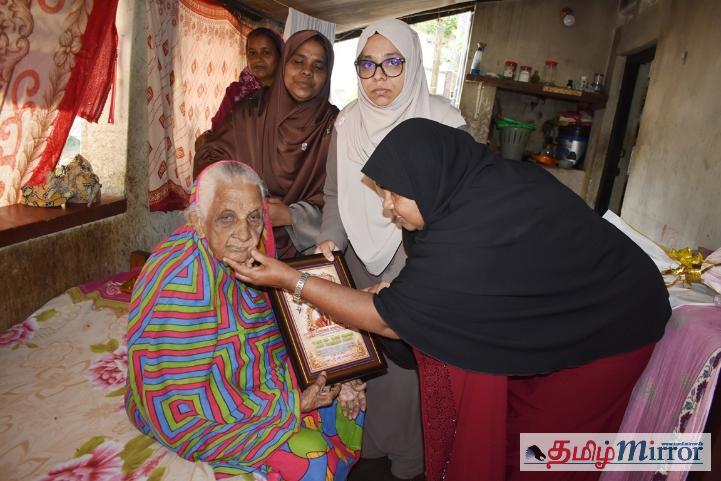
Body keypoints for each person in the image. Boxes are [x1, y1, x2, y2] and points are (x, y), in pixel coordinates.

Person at [226, 119, 673, 481]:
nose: (387, 208)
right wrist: (402, 299)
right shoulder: (465, 192)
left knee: (546, 450)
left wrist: (291, 279)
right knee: (516, 430)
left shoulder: (471, 231)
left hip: (614, 323)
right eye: (382, 193)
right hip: (554, 319)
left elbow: (389, 320)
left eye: (394, 194)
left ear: (428, 178)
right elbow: (428, 296)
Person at [125, 161, 365, 480]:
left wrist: (338, 365)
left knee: (342, 399)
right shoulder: (181, 283)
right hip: (197, 411)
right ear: (198, 221)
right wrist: (291, 404)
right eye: (227, 217)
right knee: (314, 461)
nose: (245, 234)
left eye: (254, 217)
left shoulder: (250, 255)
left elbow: (270, 329)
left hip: (246, 378)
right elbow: (180, 404)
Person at [315, 18, 465, 481]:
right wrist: (331, 240)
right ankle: (366, 448)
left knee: (405, 368)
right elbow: (335, 195)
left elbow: (457, 207)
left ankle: (409, 462)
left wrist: (407, 272)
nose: (379, 77)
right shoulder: (346, 123)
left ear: (413, 63)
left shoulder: (445, 122)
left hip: (419, 258)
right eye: (367, 65)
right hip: (357, 258)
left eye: (392, 63)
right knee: (361, 358)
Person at [194, 30, 336, 259]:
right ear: (284, 64)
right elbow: (210, 158)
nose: (307, 71)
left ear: (327, 75)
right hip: (240, 244)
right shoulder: (249, 111)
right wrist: (244, 201)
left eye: (318, 66)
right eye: (298, 61)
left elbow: (346, 200)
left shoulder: (335, 126)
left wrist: (293, 216)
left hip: (309, 252)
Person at [195, 28, 284, 151]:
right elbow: (218, 130)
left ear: (280, 56)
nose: (258, 59)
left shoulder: (288, 94)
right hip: (239, 159)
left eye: (266, 52)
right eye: (252, 53)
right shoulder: (236, 92)